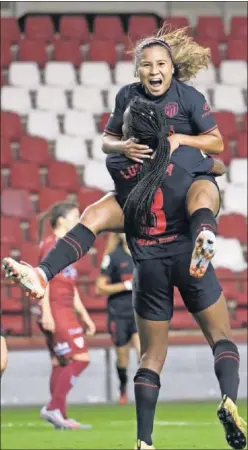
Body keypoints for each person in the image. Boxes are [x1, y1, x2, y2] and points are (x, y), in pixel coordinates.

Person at [3, 97, 245, 449]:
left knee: (150, 357)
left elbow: (126, 173)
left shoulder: (118, 161)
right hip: (187, 256)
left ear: (129, 134)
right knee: (222, 339)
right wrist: (189, 148)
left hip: (147, 263)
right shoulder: (183, 154)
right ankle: (229, 399)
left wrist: (123, 145)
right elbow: (219, 166)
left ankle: (144, 441)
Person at [36, 202, 96, 430]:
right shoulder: (51, 245)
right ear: (61, 220)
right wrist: (47, 312)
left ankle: (59, 414)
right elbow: (42, 278)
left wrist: (85, 315)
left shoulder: (66, 246)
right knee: (81, 359)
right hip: (56, 310)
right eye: (75, 216)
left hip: (65, 309)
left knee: (59, 362)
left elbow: (70, 285)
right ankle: (53, 407)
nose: (78, 219)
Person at [96, 233, 140, 405]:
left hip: (139, 312)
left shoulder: (144, 253)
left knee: (142, 355)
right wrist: (126, 285)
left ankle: (146, 392)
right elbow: (100, 288)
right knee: (123, 358)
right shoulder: (113, 257)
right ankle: (123, 387)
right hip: (119, 313)